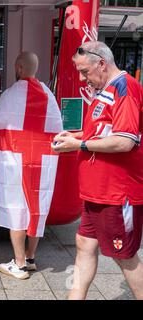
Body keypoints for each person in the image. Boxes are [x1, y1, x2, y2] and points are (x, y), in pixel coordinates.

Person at [52, 40, 143, 300]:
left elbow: (125, 141)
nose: (83, 79)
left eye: (85, 72)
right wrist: (76, 135)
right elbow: (103, 132)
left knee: (124, 256)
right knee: (84, 244)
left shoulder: (125, 89)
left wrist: (79, 143)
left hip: (116, 194)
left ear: (102, 63)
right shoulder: (108, 90)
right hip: (98, 192)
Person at [0, 52, 63, 280]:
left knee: (16, 207)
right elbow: (57, 127)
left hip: (16, 161)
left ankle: (18, 264)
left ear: (19, 68)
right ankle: (30, 257)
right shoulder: (49, 95)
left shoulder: (10, 95)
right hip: (42, 162)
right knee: (36, 207)